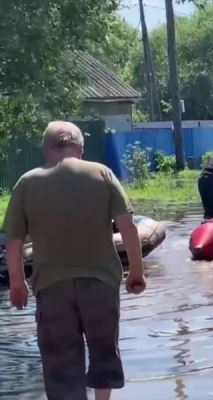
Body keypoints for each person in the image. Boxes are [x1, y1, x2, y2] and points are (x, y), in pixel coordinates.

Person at [3, 121, 146, 400]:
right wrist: (136, 273)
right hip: (101, 283)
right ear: (80, 148)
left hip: (52, 287)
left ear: (46, 150)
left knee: (60, 364)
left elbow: (14, 241)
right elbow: (128, 227)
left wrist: (17, 282)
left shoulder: (27, 182)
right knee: (103, 352)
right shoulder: (102, 173)